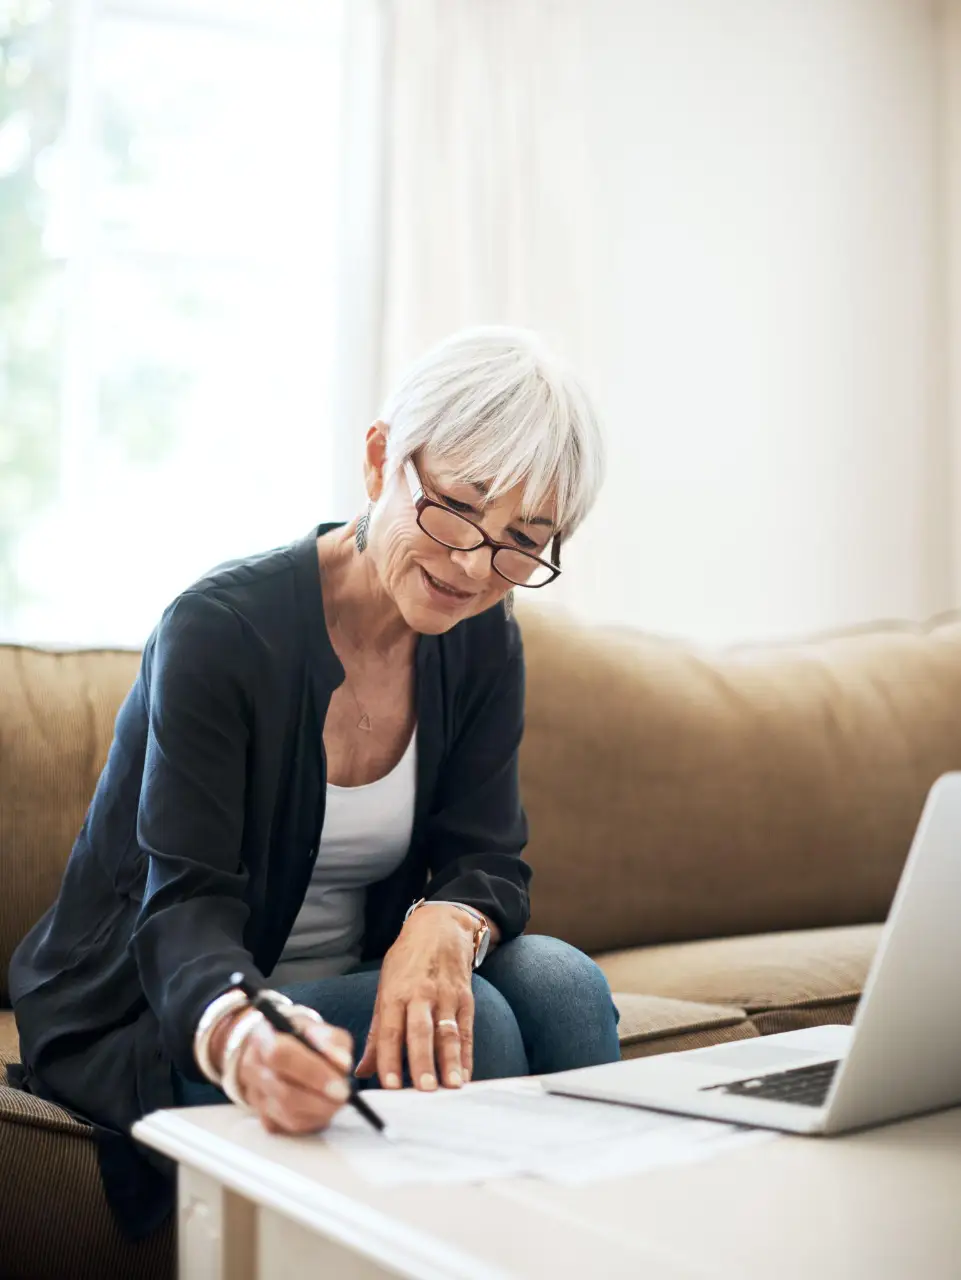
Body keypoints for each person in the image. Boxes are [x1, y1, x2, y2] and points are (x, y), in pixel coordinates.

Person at [8, 326, 619, 1238]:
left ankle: (601, 1249)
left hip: (347, 977)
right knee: (477, 1026)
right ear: (382, 460)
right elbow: (180, 912)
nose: (470, 567)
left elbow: (487, 857)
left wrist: (441, 923)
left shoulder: (484, 636)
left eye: (521, 543)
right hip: (171, 1004)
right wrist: (245, 1036)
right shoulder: (220, 633)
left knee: (565, 987)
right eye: (455, 510)